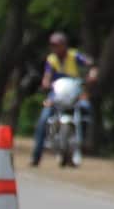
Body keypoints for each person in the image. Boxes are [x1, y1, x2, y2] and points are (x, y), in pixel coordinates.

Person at [31, 31, 95, 166]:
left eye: (57, 45)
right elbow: (47, 75)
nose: (55, 48)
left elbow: (90, 64)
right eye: (53, 45)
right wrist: (45, 82)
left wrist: (92, 74)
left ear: (64, 45)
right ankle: (36, 156)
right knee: (44, 119)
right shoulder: (51, 59)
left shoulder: (74, 55)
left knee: (86, 109)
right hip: (56, 93)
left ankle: (84, 141)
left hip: (74, 91)